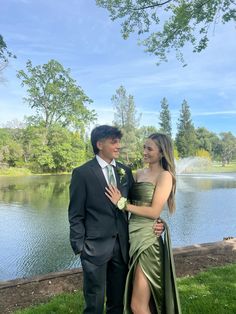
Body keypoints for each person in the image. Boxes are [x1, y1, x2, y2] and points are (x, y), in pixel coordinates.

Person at [68, 125, 163, 314]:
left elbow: (140, 203)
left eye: (119, 141)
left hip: (122, 247)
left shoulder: (125, 171)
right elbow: (75, 214)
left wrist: (158, 223)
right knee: (94, 303)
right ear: (99, 144)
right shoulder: (82, 173)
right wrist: (80, 247)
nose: (119, 146)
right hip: (94, 249)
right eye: (114, 142)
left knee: (117, 302)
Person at [105, 133, 182, 314]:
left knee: (137, 306)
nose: (145, 152)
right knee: (142, 302)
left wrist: (122, 204)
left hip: (148, 241)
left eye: (150, 148)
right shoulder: (137, 173)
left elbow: (154, 211)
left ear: (162, 153)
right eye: (144, 147)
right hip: (132, 237)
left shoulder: (165, 176)